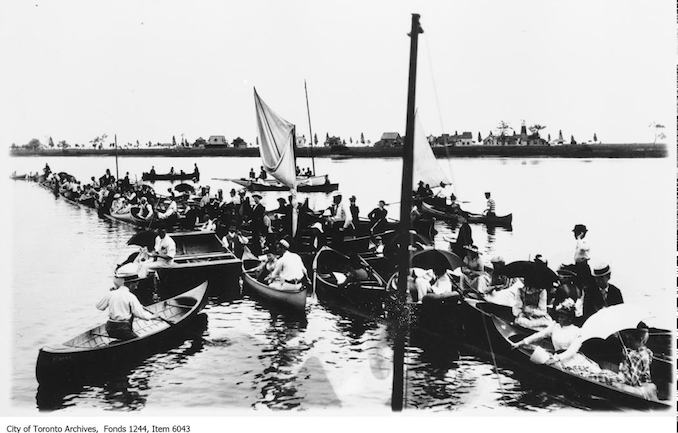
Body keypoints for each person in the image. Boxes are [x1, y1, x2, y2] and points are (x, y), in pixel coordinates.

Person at [511, 299, 621, 383]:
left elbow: (572, 351)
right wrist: (521, 343)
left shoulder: (577, 331)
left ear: (569, 318)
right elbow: (538, 335)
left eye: (563, 316)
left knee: (597, 375)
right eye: (559, 316)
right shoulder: (555, 326)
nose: (560, 318)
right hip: (556, 357)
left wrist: (556, 359)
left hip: (572, 359)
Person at [96, 276, 160, 340]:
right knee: (137, 341)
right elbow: (139, 314)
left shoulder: (111, 293)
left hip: (109, 328)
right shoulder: (131, 296)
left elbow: (99, 307)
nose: (136, 287)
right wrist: (153, 316)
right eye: (135, 285)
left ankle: (120, 341)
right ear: (131, 284)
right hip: (123, 328)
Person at [618, 326, 657, 399]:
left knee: (610, 380)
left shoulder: (637, 356)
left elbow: (630, 380)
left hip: (637, 389)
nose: (629, 342)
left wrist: (623, 362)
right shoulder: (646, 353)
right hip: (643, 385)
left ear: (641, 340)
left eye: (631, 339)